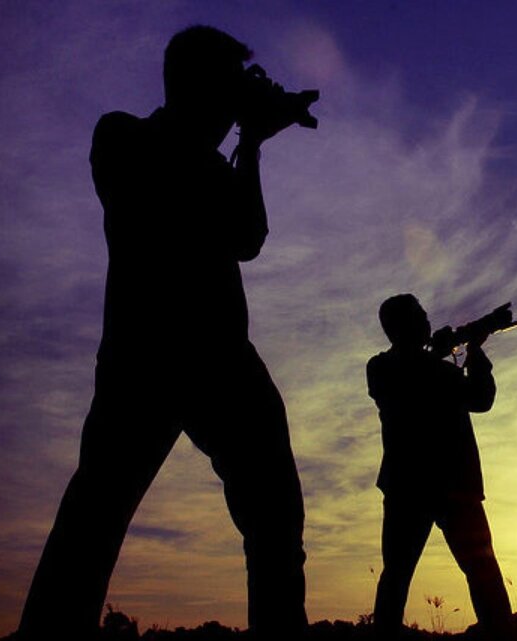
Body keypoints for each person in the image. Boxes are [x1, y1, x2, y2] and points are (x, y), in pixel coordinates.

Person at [17, 26, 312, 640]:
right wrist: (242, 126)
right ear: (198, 83)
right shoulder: (123, 135)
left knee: (277, 523)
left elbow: (247, 239)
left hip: (225, 361)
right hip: (144, 360)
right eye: (230, 84)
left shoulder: (209, 160)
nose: (238, 97)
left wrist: (251, 143)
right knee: (92, 526)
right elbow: (167, 190)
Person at [367, 294, 513, 641]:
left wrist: (469, 350)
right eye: (419, 317)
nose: (427, 322)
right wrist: (464, 350)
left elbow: (480, 399)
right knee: (399, 575)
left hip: (440, 488)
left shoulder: (431, 368)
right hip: (423, 488)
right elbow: (471, 395)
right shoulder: (382, 367)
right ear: (398, 327)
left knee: (481, 571)